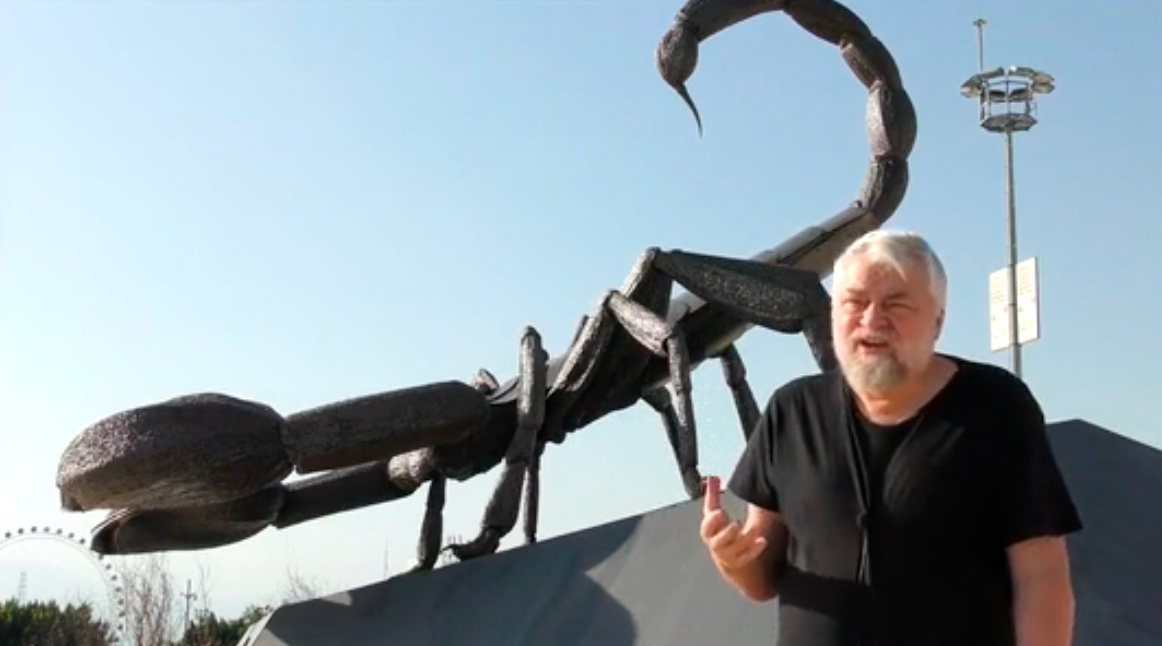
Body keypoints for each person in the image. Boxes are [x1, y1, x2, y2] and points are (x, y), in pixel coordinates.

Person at [700, 229, 1083, 646]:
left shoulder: (996, 407)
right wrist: (732, 559)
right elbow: (762, 579)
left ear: (937, 320)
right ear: (833, 316)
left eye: (896, 304)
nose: (872, 319)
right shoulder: (792, 411)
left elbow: (1041, 574)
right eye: (855, 302)